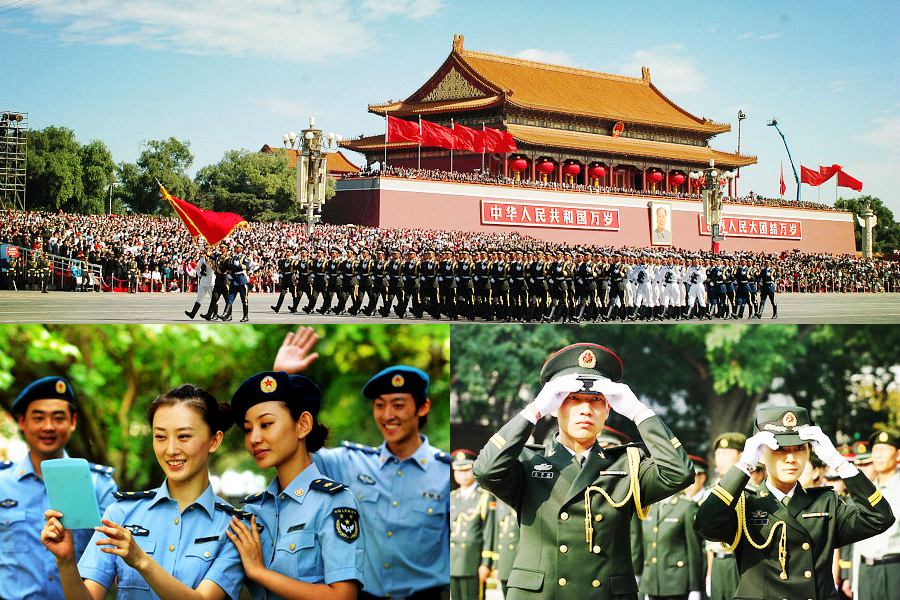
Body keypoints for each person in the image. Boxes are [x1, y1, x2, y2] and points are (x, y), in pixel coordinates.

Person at [473, 342, 694, 599]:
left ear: (609, 408)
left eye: (596, 400)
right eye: (573, 398)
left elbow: (679, 473)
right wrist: (533, 410)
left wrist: (639, 412)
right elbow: (486, 471)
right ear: (554, 406)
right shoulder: (526, 462)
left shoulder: (628, 464)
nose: (586, 410)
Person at [272, 328, 450, 600]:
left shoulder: (445, 472)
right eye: (380, 405)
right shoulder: (350, 464)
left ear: (423, 408)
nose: (388, 415)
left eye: (398, 405)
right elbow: (295, 451)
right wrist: (282, 382)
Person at [40, 383, 246, 600]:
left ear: (214, 441)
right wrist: (66, 562)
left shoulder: (235, 528)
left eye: (184, 436)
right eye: (160, 437)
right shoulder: (120, 514)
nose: (171, 449)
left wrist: (141, 560)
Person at [694, 406, 895, 600]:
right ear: (761, 454)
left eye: (799, 448)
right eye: (780, 449)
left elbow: (880, 518)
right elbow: (705, 524)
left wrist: (840, 463)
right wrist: (744, 465)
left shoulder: (825, 503)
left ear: (809, 452)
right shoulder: (745, 504)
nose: (791, 458)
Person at [226, 370, 366, 600]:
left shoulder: (333, 501)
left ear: (303, 424)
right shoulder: (253, 511)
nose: (254, 438)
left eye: (266, 424)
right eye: (248, 429)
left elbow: (343, 596)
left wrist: (259, 572)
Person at [0, 376, 118, 600]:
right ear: (22, 422)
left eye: (58, 417)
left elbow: (113, 557)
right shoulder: (2, 483)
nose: (48, 426)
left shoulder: (100, 484)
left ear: (72, 422)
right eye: (38, 418)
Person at [848, 429, 900, 600]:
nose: (878, 455)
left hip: (893, 571)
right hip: (865, 571)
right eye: (875, 450)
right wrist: (855, 581)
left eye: (884, 449)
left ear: (898, 454)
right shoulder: (866, 491)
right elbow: (858, 541)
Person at [636, 482, 704, 600]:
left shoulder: (686, 506)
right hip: (652, 582)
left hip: (677, 584)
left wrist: (695, 587)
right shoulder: (650, 506)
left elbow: (695, 551)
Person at [450, 450, 494, 600]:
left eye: (466, 470)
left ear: (474, 469)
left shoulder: (484, 497)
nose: (463, 474)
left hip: (472, 562)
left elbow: (489, 532)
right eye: (459, 470)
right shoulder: (452, 497)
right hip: (452, 562)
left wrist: (485, 563)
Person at [186, 246, 214, 319]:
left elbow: (215, 268)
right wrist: (200, 273)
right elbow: (198, 268)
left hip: (211, 280)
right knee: (199, 298)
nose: (207, 250)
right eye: (206, 249)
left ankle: (215, 314)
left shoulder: (213, 259)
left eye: (208, 249)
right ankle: (193, 313)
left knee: (213, 298)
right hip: (203, 280)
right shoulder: (203, 259)